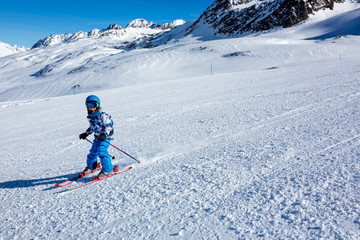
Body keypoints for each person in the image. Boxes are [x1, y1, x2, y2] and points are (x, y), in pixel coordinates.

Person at [79, 95, 116, 179]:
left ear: (97, 105)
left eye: (93, 105)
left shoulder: (103, 116)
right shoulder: (91, 117)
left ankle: (108, 170)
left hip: (105, 138)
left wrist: (104, 134)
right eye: (89, 105)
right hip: (97, 138)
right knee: (93, 152)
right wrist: (85, 134)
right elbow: (92, 128)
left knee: (102, 151)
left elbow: (109, 126)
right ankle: (92, 167)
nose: (91, 107)